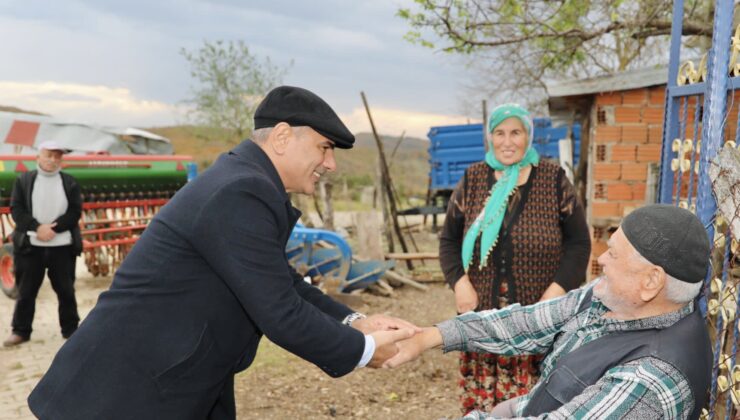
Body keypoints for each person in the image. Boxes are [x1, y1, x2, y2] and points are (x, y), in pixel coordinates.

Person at [29, 86, 418, 419]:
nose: (330, 164)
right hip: (122, 395)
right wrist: (362, 351)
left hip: (169, 384)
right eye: (325, 147)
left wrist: (354, 322)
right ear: (282, 138)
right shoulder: (240, 191)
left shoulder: (244, 182)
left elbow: (282, 281)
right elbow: (279, 311)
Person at [388, 204, 713, 420]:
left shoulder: (650, 379)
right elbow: (527, 323)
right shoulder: (612, 298)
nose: (601, 260)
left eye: (613, 254)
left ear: (650, 281)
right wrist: (431, 336)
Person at [439, 103, 591, 413]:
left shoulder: (553, 180)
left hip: (538, 320)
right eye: (500, 133)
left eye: (516, 132)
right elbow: (449, 240)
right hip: (484, 320)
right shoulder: (473, 179)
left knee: (534, 405)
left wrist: (557, 291)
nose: (508, 141)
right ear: (490, 137)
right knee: (484, 406)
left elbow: (579, 243)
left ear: (528, 136)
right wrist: (460, 283)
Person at [4, 141, 83, 347]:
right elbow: (16, 209)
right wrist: (37, 227)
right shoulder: (24, 181)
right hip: (31, 246)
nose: (53, 160)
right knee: (26, 291)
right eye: (49, 155)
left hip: (62, 246)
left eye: (57, 156)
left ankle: (71, 330)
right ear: (38, 156)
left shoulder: (69, 182)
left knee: (66, 290)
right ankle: (20, 331)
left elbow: (75, 211)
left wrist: (54, 229)